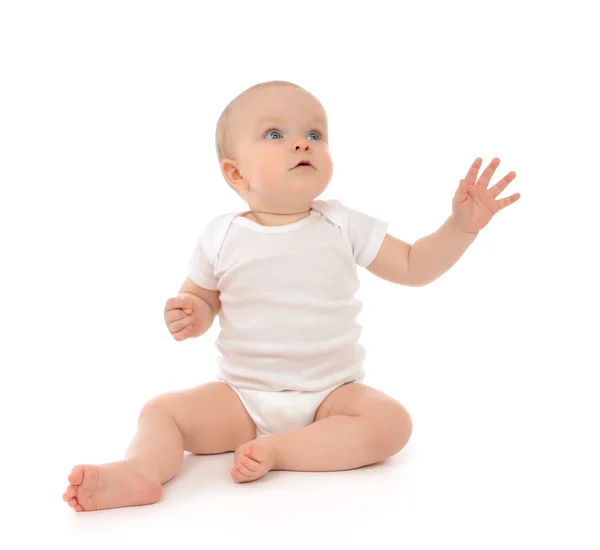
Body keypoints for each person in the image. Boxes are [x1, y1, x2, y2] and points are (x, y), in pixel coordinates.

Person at [63, 80, 520, 512]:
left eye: (315, 133)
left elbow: (413, 266)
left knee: (392, 423)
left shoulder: (342, 223)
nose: (302, 143)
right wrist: (192, 313)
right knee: (161, 411)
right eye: (275, 133)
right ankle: (141, 471)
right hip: (241, 398)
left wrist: (461, 227)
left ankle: (278, 451)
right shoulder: (220, 235)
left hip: (333, 397)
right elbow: (201, 297)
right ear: (235, 172)